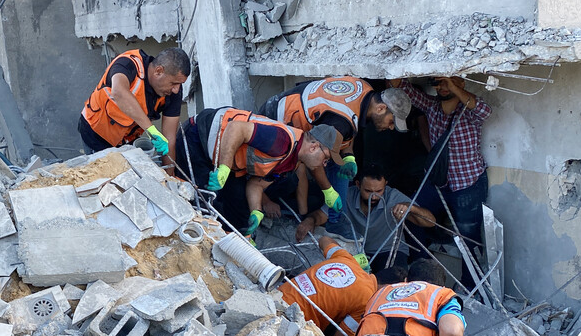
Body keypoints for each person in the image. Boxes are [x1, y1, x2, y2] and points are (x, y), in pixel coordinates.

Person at [258, 77, 412, 221]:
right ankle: (336, 220)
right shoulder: (341, 121)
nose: (391, 127)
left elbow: (350, 125)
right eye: (392, 121)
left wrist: (349, 156)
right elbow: (314, 159)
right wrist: (328, 191)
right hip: (274, 122)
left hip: (284, 102)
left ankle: (333, 218)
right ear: (380, 108)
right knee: (294, 179)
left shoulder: (364, 89)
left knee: (336, 167)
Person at [390, 76, 492, 288]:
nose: (442, 87)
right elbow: (404, 89)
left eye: (448, 82)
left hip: (468, 183)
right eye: (439, 83)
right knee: (411, 214)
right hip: (438, 182)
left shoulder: (470, 111)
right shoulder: (432, 107)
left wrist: (453, 84)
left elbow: (484, 110)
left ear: (462, 83)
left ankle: (469, 288)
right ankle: (420, 275)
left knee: (468, 238)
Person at [175, 107, 341, 235]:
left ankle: (240, 247)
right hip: (198, 136)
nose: (324, 165)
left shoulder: (292, 161)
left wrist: (256, 211)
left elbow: (256, 185)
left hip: (229, 161)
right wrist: (223, 168)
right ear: (313, 147)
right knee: (204, 201)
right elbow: (236, 128)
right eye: (325, 159)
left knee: (238, 212)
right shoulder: (281, 141)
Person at [294, 164, 436, 274]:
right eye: (368, 191)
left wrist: (411, 207)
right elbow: (321, 215)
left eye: (379, 191)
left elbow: (430, 222)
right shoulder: (347, 195)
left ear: (385, 185)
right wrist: (310, 220)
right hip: (357, 251)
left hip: (389, 251)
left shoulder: (393, 196)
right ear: (357, 185)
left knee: (392, 283)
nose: (374, 197)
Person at [78, 48, 190, 164]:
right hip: (96, 135)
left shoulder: (172, 92)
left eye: (180, 84)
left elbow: (169, 140)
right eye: (174, 83)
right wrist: (151, 130)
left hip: (127, 140)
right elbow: (119, 92)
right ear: (158, 71)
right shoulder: (128, 64)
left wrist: (169, 178)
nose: (176, 90)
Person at [278, 235, 383, 336]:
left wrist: (344, 256)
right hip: (293, 322)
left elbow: (324, 240)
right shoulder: (367, 302)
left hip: (278, 296)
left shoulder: (347, 259)